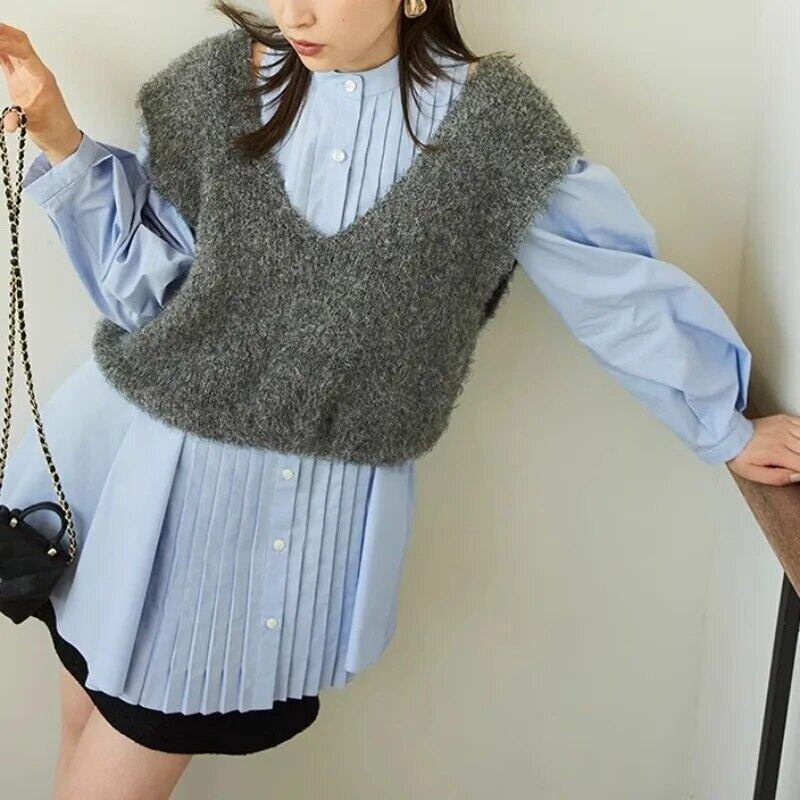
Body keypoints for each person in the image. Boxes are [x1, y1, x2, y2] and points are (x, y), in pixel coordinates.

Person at [1, 2, 798, 798]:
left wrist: (723, 424)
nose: (295, 12)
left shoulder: (495, 132)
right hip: (120, 478)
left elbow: (616, 288)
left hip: (241, 541)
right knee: (81, 734)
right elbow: (147, 297)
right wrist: (58, 130)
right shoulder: (216, 86)